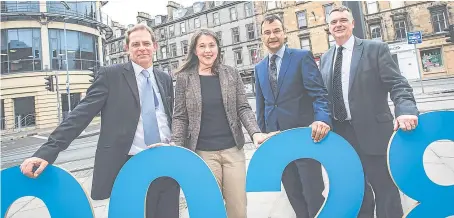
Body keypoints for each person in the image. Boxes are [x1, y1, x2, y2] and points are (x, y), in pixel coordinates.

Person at [19, 24, 180, 218]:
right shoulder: (111, 76)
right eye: (135, 44)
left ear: (155, 46)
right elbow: (81, 115)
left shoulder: (163, 78)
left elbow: (171, 118)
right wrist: (47, 151)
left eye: (146, 43)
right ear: (126, 48)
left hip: (166, 163)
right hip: (130, 166)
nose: (142, 48)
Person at [319, 6, 419, 218]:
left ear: (353, 23)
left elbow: (398, 84)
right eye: (333, 22)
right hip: (343, 136)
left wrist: (406, 110)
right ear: (328, 27)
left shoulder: (375, 49)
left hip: (374, 134)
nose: (338, 25)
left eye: (343, 20)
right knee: (357, 192)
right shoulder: (326, 58)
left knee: (386, 191)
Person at [170, 29, 270, 218]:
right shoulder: (184, 78)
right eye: (202, 46)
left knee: (238, 208)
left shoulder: (231, 74)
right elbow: (180, 116)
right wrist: (177, 143)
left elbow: (243, 107)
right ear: (194, 50)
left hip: (233, 151)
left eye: (211, 45)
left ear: (218, 48)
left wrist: (255, 133)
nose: (207, 50)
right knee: (210, 209)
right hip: (203, 153)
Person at [254, 15, 332, 218]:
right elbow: (262, 105)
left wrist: (322, 119)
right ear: (262, 36)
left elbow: (319, 94)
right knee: (294, 195)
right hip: (278, 143)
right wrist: (262, 136)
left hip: (303, 139)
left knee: (313, 194)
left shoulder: (301, 57)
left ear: (284, 33)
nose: (272, 36)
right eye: (267, 32)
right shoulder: (259, 67)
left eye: (276, 31)